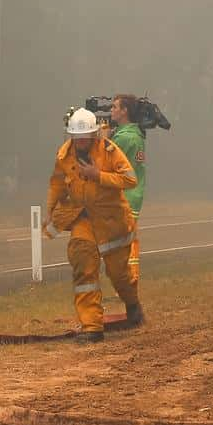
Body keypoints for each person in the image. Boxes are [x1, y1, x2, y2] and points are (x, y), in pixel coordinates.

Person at [45, 107, 143, 342]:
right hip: (83, 218)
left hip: (112, 222)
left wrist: (98, 175)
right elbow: (57, 183)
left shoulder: (109, 151)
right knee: (83, 265)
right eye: (75, 138)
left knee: (118, 274)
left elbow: (130, 179)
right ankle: (91, 327)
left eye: (84, 137)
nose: (79, 142)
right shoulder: (63, 155)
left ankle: (132, 304)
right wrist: (49, 209)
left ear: (94, 135)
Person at [108, 94, 147, 286]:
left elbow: (106, 162)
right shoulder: (136, 134)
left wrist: (101, 140)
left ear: (125, 111)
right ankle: (128, 282)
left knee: (123, 245)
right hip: (134, 195)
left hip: (124, 196)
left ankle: (127, 283)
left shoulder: (123, 138)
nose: (111, 110)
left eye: (115, 107)